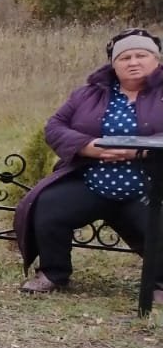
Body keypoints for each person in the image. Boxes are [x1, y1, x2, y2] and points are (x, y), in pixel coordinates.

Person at [14, 29, 163, 293]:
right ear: (114, 64)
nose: (133, 62)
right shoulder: (88, 94)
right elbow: (55, 126)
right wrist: (86, 146)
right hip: (92, 180)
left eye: (141, 55)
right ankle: (53, 273)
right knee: (47, 205)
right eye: (125, 57)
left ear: (156, 59)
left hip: (148, 184)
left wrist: (141, 151)